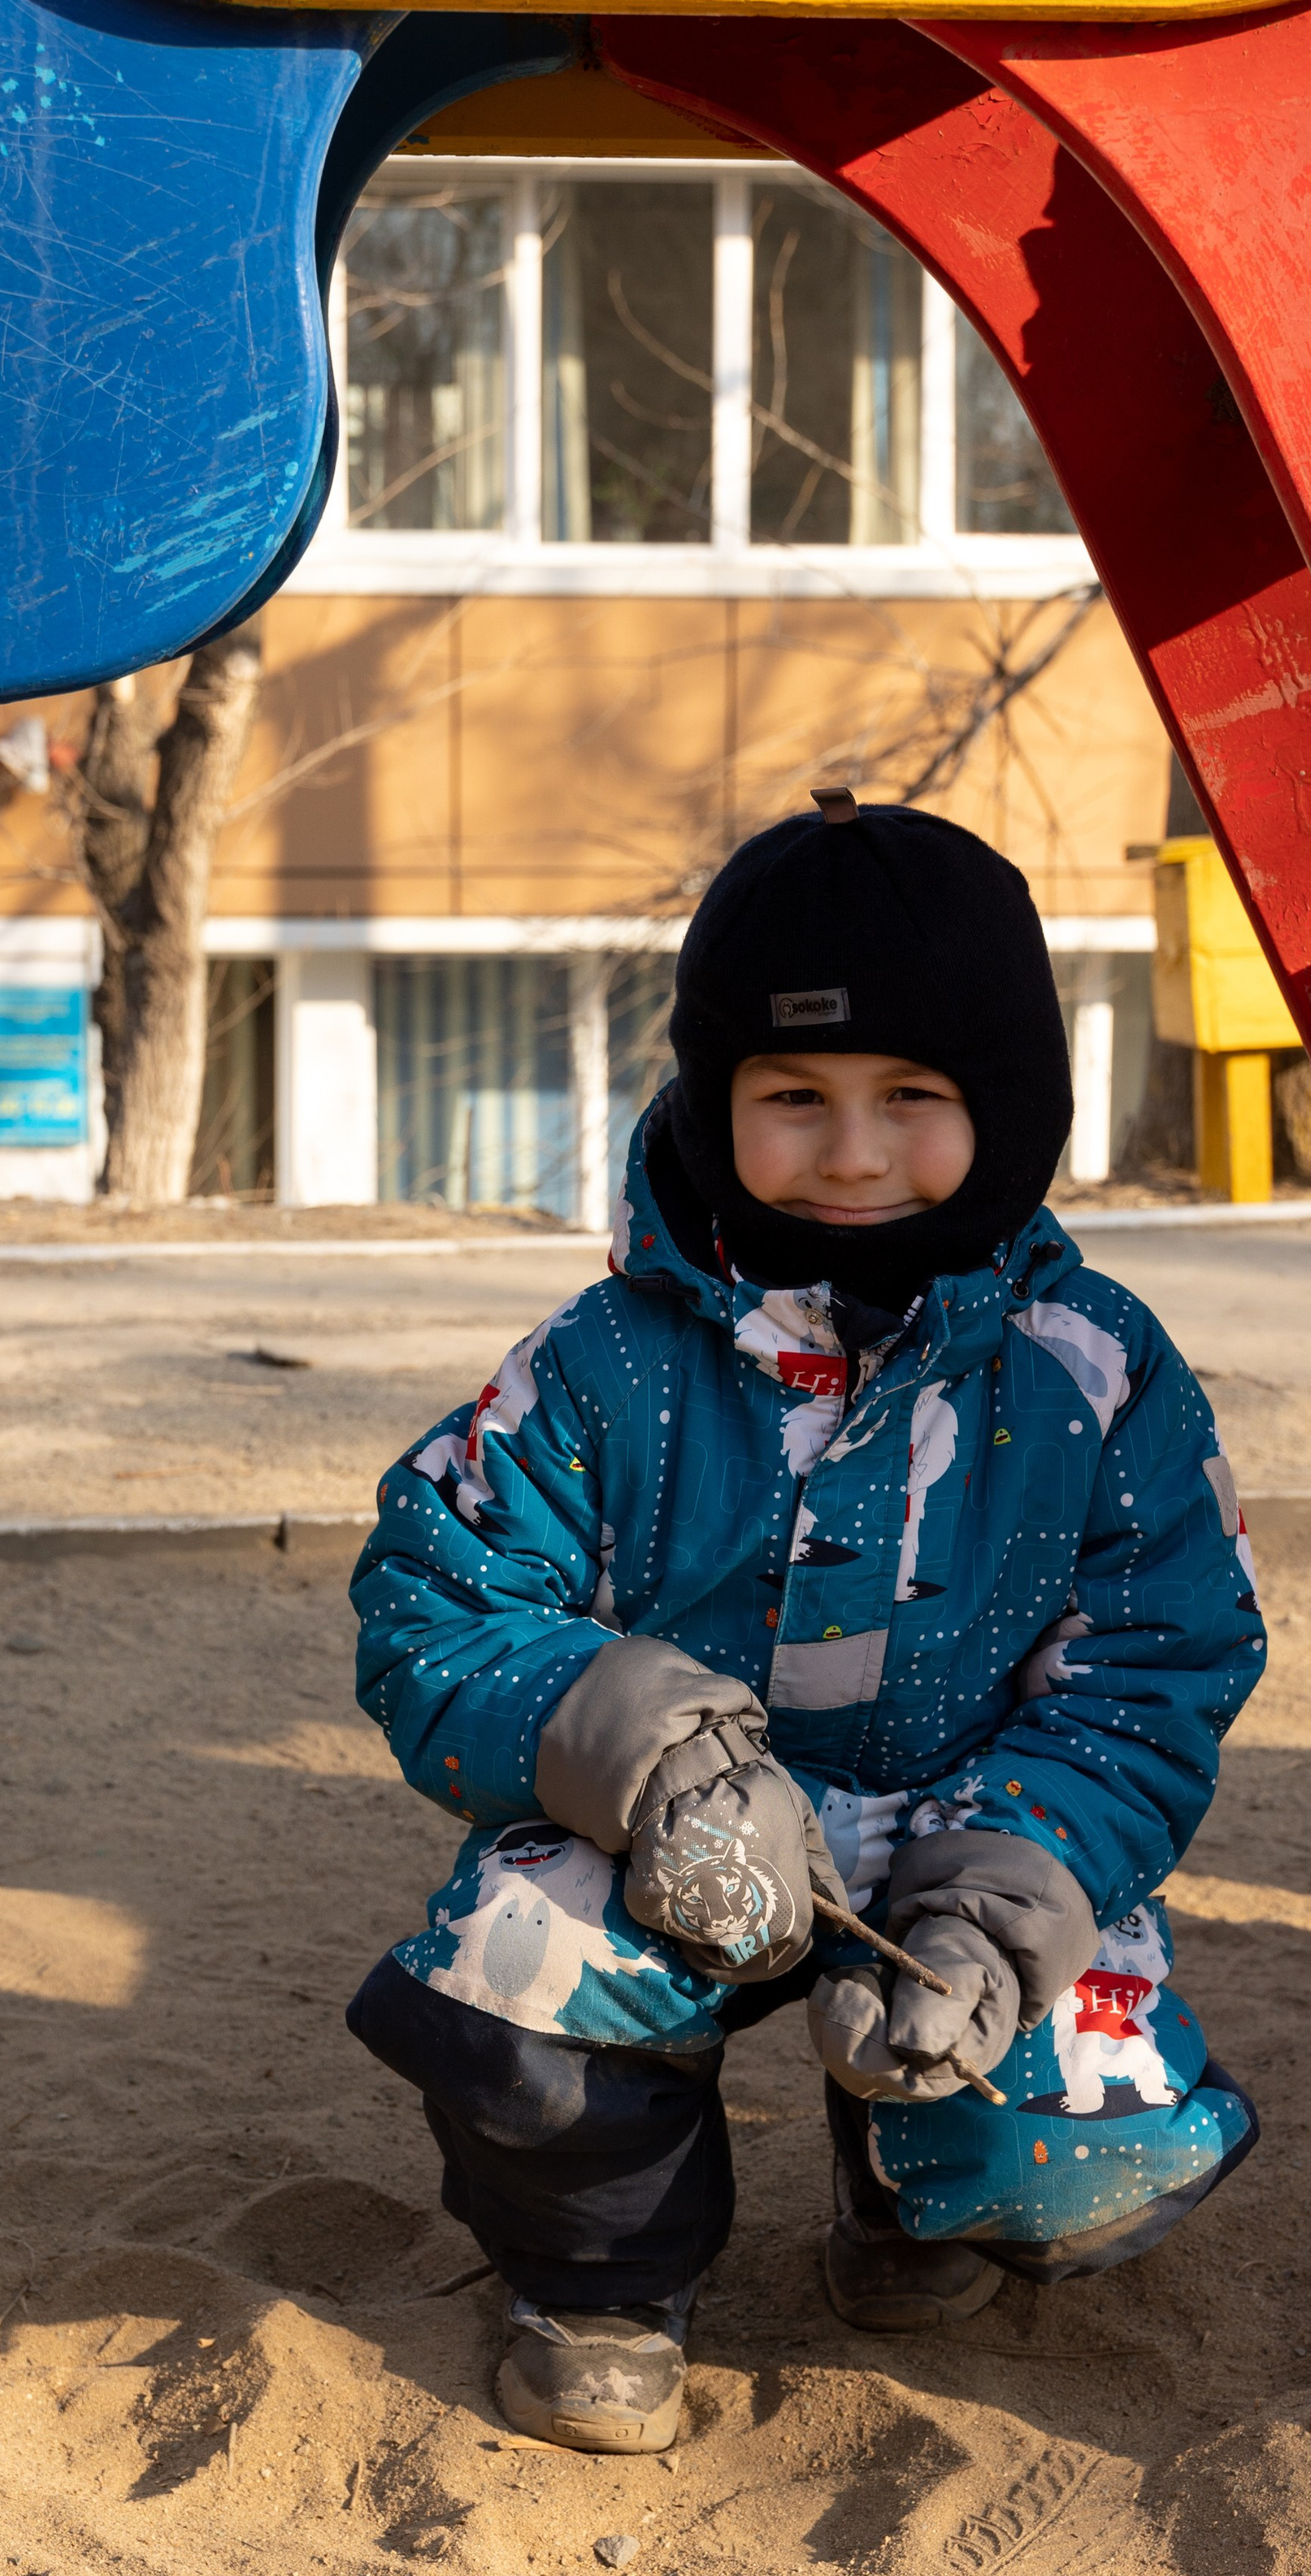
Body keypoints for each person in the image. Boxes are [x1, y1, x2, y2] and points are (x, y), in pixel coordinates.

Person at [347, 792, 1264, 2454]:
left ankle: (918, 2202)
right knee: (516, 1972)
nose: (850, 1153)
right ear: (711, 1101)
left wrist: (1006, 1900)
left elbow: (1155, 1659)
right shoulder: (603, 1363)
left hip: (974, 1810)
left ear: (1012, 1101)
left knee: (1064, 2094)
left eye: (912, 1097)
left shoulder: (1093, 1365)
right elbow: (442, 1596)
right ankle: (600, 2282)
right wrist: (654, 1766)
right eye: (791, 1097)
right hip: (665, 1812)